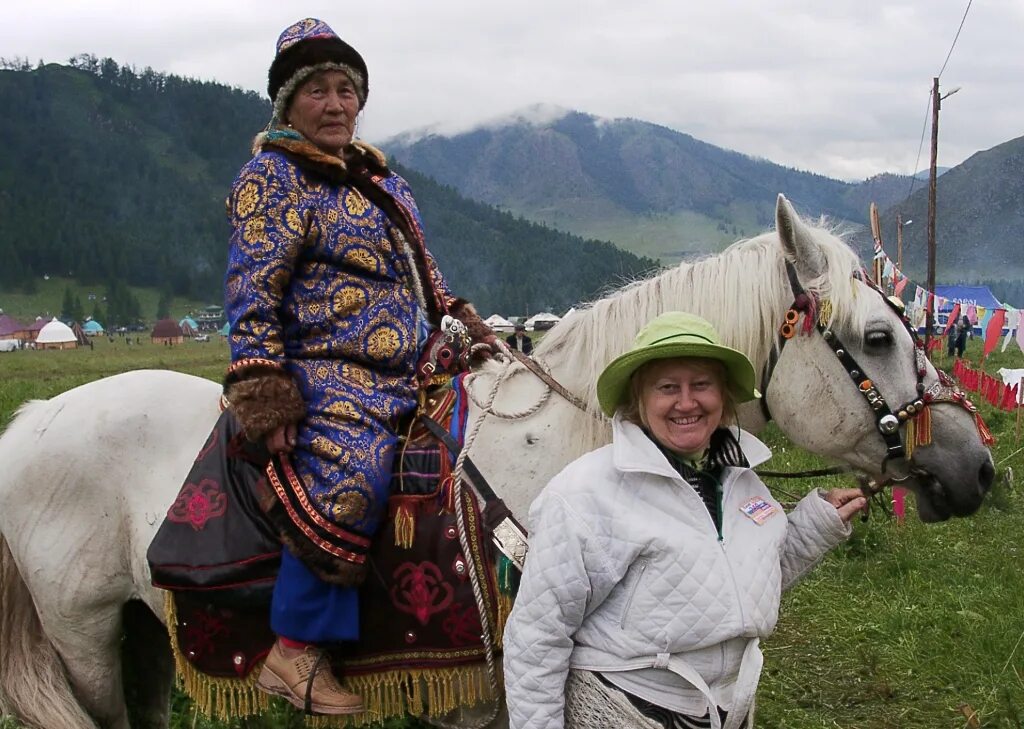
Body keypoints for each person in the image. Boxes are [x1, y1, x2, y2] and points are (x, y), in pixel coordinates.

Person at [223, 18, 494, 715]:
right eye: (319, 90)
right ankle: (296, 649)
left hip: (413, 364)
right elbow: (252, 288)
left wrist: (460, 315)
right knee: (355, 466)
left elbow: (423, 274)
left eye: (348, 89)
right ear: (288, 103)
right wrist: (263, 391)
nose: (338, 104)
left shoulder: (384, 182)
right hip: (326, 368)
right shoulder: (273, 177)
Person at [503, 312, 867, 729]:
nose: (687, 402)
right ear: (638, 401)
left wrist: (816, 524)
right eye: (667, 388)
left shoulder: (742, 479)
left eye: (701, 385)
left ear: (723, 396)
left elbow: (736, 582)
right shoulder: (584, 493)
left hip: (727, 709)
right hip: (625, 711)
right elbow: (536, 637)